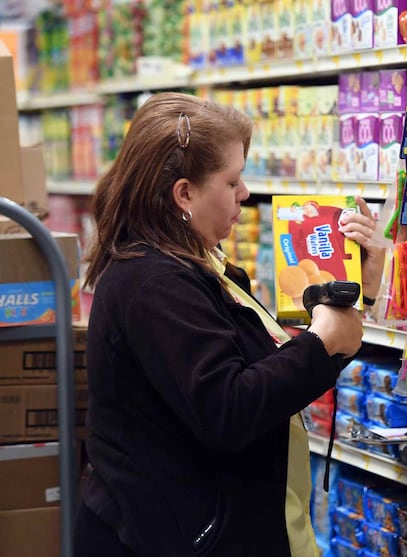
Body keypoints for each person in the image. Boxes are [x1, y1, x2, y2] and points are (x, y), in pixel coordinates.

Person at [74, 92, 385, 556]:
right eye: (233, 180)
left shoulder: (196, 263)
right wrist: (320, 343)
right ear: (185, 193)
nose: (244, 194)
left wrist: (357, 293)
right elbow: (229, 408)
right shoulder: (153, 282)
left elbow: (264, 375)